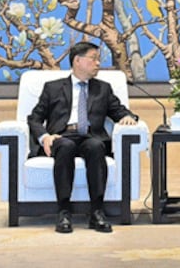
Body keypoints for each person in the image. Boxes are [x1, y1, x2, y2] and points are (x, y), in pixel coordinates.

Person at [27, 41, 138, 234]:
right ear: (77, 61)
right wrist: (44, 136)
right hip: (61, 136)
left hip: (89, 136)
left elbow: (119, 111)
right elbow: (34, 118)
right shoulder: (52, 88)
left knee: (96, 147)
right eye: (93, 59)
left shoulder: (103, 88)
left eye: (98, 59)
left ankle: (97, 212)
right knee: (66, 146)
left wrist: (129, 117)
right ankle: (63, 211)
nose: (98, 63)